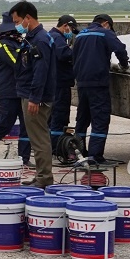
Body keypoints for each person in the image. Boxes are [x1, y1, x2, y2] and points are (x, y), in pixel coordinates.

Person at [71, 13, 130, 162]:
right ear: (105, 23)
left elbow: (74, 56)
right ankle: (95, 155)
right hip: (97, 82)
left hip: (82, 82)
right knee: (100, 119)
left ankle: (78, 153)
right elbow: (120, 49)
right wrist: (124, 64)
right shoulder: (105, 33)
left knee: (82, 119)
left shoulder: (80, 35)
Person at [11, 0, 57, 187]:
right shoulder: (33, 38)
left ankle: (45, 178)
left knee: (39, 139)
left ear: (28, 18)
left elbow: (40, 71)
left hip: (36, 96)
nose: (17, 25)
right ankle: (40, 176)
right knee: (37, 137)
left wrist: (34, 98)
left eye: (18, 21)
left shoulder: (40, 40)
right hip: (29, 93)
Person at [0, 13, 32, 165]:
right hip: (8, 92)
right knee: (4, 124)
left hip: (22, 90)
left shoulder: (21, 43)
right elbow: (17, 63)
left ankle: (24, 158)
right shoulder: (2, 45)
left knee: (26, 125)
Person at [49, 14, 77, 156]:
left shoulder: (51, 35)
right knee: (59, 116)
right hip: (60, 83)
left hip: (54, 83)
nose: (71, 31)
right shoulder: (57, 37)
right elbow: (64, 54)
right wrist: (77, 53)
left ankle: (51, 145)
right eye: (71, 28)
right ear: (65, 25)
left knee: (52, 117)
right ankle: (56, 147)